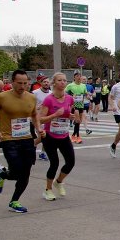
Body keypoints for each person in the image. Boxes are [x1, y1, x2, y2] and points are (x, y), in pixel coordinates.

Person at [0, 70, 42, 213]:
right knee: (16, 171)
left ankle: (14, 201)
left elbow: (34, 115)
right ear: (12, 82)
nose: (23, 86)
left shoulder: (31, 97)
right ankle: (3, 174)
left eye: (25, 83)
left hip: (27, 138)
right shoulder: (2, 97)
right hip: (8, 139)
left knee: (26, 173)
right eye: (19, 83)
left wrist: (38, 128)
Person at [38, 73, 75, 201]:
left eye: (65, 80)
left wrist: (70, 116)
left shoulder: (70, 98)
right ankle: (48, 190)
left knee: (71, 162)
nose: (63, 82)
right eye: (59, 80)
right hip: (49, 136)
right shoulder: (49, 99)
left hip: (63, 135)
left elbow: (69, 113)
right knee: (54, 163)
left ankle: (58, 181)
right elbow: (40, 119)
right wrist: (54, 116)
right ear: (54, 83)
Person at [32, 76, 52, 161]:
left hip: (48, 118)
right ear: (40, 83)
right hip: (38, 118)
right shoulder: (35, 93)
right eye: (44, 82)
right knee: (41, 137)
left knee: (47, 136)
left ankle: (43, 153)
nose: (46, 83)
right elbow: (30, 105)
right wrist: (36, 108)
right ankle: (32, 146)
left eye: (47, 82)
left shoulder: (51, 93)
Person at [65, 72, 88, 144]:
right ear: (74, 77)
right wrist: (71, 97)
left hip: (81, 104)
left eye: (80, 76)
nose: (79, 77)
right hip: (74, 105)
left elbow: (85, 93)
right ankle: (78, 137)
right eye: (77, 76)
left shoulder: (83, 85)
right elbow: (64, 94)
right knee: (77, 120)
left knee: (79, 122)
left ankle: (73, 135)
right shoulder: (70, 85)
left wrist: (89, 95)